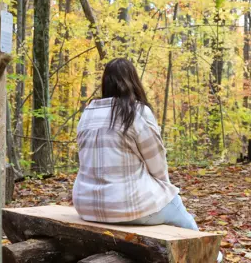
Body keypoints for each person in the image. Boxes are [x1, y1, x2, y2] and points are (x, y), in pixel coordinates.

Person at [72, 58, 222, 262]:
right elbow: (157, 162)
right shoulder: (136, 111)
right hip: (128, 206)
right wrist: (165, 189)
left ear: (105, 82)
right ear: (133, 80)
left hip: (86, 206)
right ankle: (211, 257)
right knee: (179, 211)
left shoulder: (88, 113)